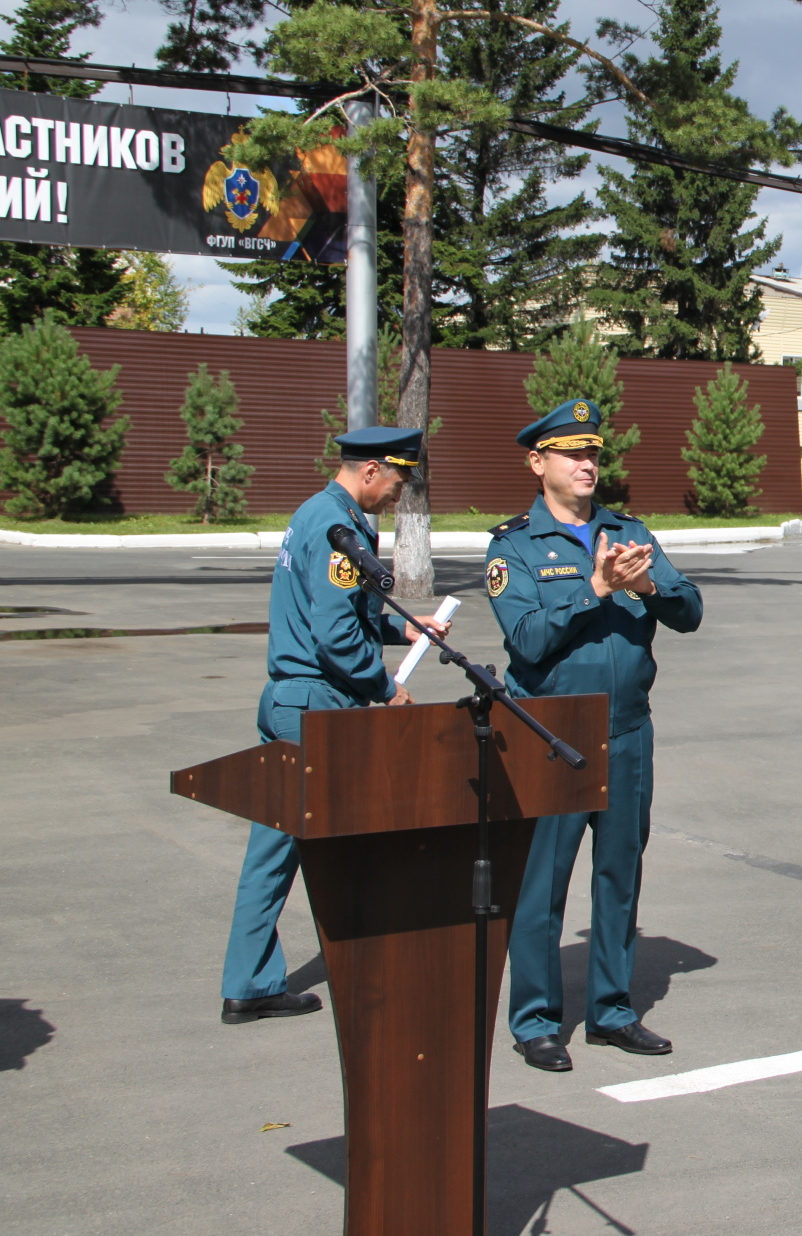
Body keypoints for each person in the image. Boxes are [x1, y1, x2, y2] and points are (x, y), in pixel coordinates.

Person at [487, 399, 703, 1072]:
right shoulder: (514, 543)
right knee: (541, 883)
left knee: (619, 874)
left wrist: (650, 588)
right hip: (552, 732)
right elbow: (525, 639)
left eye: (594, 453)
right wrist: (596, 588)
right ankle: (536, 1019)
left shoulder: (627, 530)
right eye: (572, 453)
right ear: (537, 462)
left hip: (628, 730)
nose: (587, 464)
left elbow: (690, 609)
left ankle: (611, 1008)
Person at [219, 427, 451, 1024]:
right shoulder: (338, 525)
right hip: (319, 706)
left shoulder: (320, 515)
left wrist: (407, 629)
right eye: (396, 483)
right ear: (370, 471)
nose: (397, 496)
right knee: (345, 842)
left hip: (295, 700)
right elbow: (335, 635)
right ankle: (364, 963)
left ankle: (251, 981)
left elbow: (346, 614)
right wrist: (384, 687)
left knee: (276, 850)